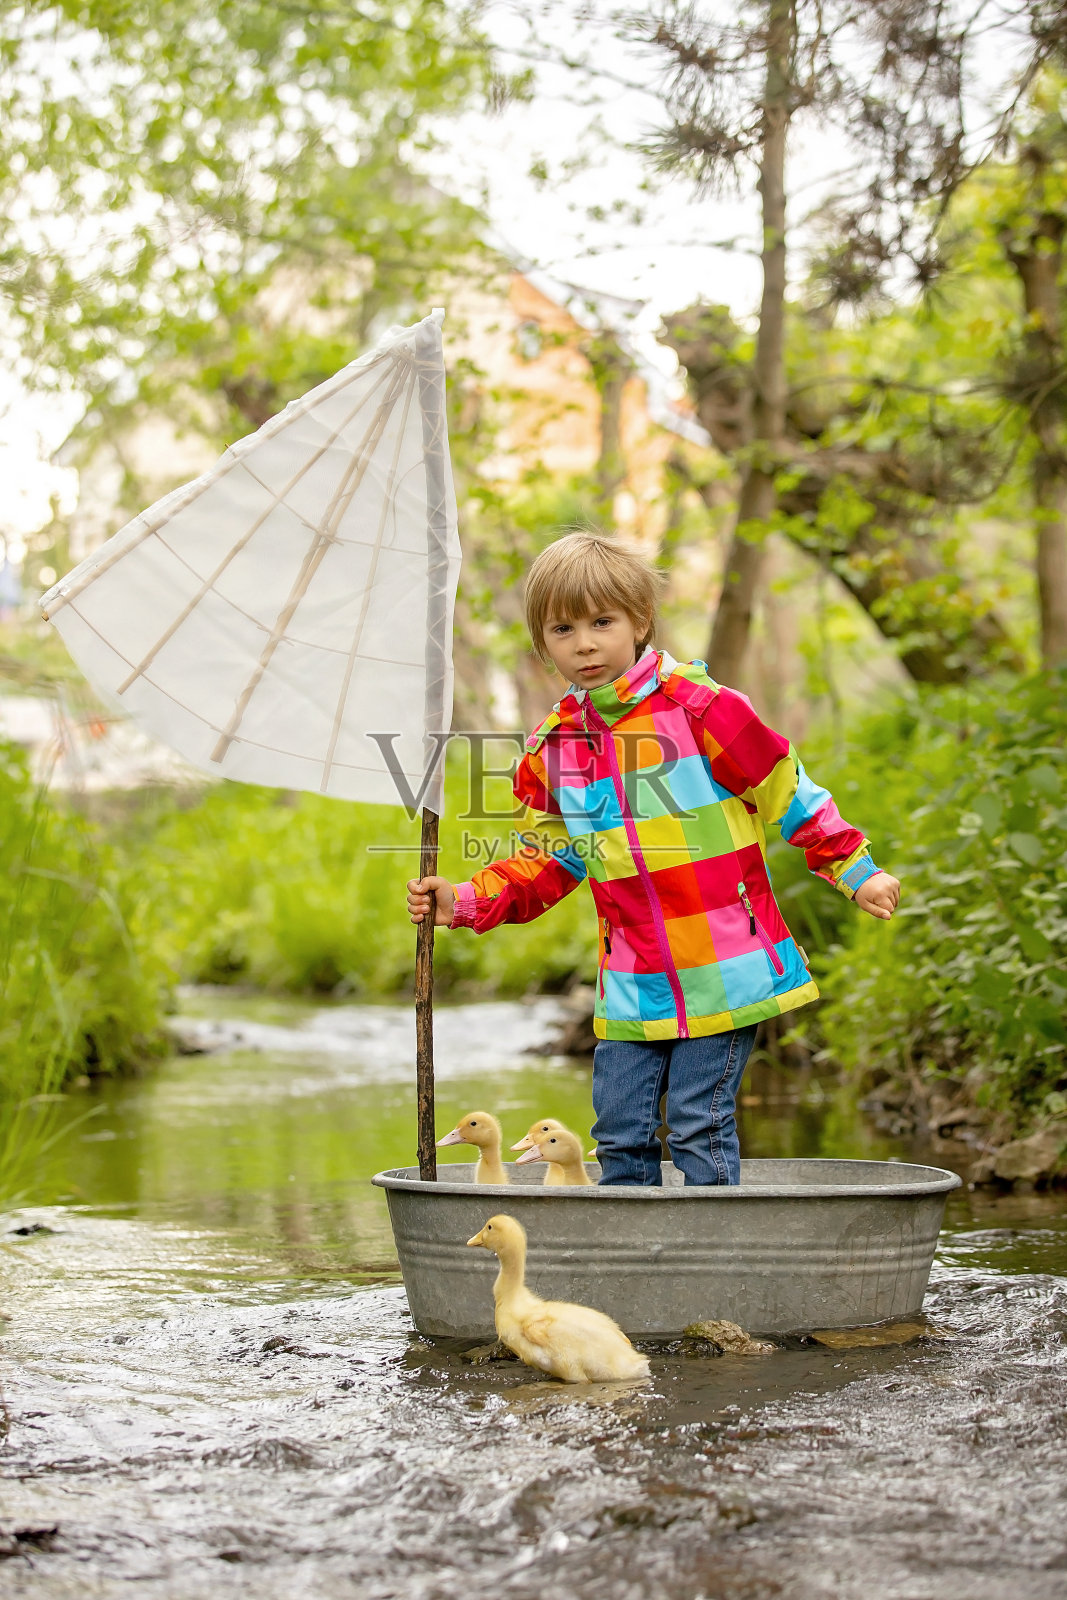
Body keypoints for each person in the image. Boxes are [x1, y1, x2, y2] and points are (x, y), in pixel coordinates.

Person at [406, 531, 900, 1187]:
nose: (583, 643)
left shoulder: (699, 709)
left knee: (697, 1122)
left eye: (601, 622)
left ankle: (718, 1266)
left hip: (723, 964)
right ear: (541, 641)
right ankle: (633, 1267)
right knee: (618, 1128)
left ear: (638, 621)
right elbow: (547, 861)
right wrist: (463, 902)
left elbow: (785, 787)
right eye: (562, 628)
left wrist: (852, 867)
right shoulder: (553, 749)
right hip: (632, 978)